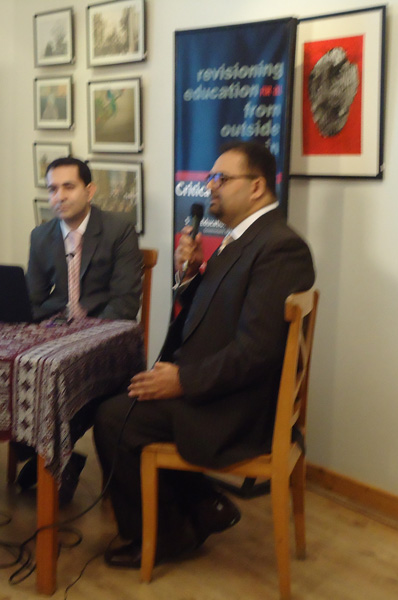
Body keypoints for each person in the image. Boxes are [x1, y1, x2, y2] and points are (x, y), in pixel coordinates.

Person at [93, 141, 316, 568]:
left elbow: (258, 351)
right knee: (123, 395)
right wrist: (191, 274)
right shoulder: (244, 239)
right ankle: (203, 505)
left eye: (221, 179)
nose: (210, 186)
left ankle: (169, 534)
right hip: (218, 386)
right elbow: (213, 311)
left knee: (114, 418)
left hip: (238, 407)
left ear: (257, 187)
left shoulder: (280, 248)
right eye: (211, 178)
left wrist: (181, 381)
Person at [18, 156, 143, 505]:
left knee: (62, 380)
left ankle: (55, 461)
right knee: (22, 373)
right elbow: (33, 300)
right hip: (58, 335)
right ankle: (57, 459)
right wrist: (47, 327)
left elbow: (125, 303)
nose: (58, 196)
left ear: (90, 190)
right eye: (52, 189)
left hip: (107, 339)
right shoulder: (41, 235)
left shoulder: (119, 229)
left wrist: (81, 336)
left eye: (68, 187)